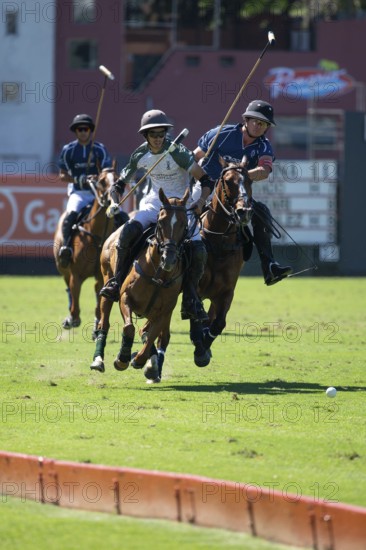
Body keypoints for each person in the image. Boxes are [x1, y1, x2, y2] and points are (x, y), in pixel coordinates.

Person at [100, 109, 215, 321]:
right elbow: (118, 185)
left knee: (198, 250)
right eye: (153, 135)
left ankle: (190, 298)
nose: (158, 138)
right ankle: (116, 282)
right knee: (128, 232)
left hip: (182, 207)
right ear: (145, 136)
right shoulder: (139, 155)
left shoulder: (178, 152)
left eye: (161, 134)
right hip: (156, 205)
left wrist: (199, 202)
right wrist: (115, 203)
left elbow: (206, 180)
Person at [193, 100, 293, 286]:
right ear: (246, 120)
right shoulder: (221, 133)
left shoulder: (264, 146)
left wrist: (238, 176)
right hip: (206, 185)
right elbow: (196, 155)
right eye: (255, 120)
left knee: (261, 212)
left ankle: (269, 265)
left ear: (267, 128)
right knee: (184, 214)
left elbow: (264, 170)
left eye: (263, 123)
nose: (258, 125)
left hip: (236, 193)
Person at [57, 113, 112, 267]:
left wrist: (98, 177)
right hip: (79, 193)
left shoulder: (100, 149)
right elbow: (62, 175)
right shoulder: (68, 150)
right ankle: (66, 248)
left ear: (90, 130)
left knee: (119, 215)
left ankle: (124, 249)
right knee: (70, 216)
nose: (83, 132)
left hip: (98, 193)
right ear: (75, 131)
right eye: (79, 129)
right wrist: (78, 179)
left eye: (86, 129)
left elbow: (107, 170)